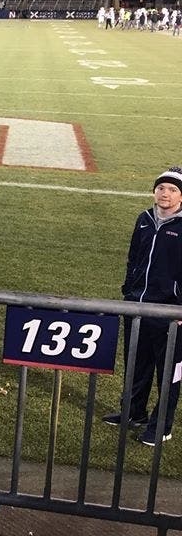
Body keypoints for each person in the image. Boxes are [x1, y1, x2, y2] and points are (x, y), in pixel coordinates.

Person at [103, 167, 182, 446]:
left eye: (172, 190)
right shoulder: (145, 219)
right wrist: (129, 291)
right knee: (137, 363)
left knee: (169, 372)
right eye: (161, 188)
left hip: (171, 314)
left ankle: (162, 426)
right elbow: (133, 257)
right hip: (137, 307)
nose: (165, 193)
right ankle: (134, 412)